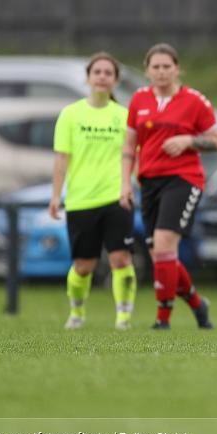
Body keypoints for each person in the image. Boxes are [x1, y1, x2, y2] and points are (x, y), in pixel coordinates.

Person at [121, 43, 217, 330]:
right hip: (149, 182)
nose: (162, 72)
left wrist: (189, 141)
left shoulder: (194, 101)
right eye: (156, 67)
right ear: (147, 70)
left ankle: (162, 320)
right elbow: (129, 145)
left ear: (177, 69)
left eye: (167, 66)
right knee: (159, 255)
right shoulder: (139, 100)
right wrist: (124, 183)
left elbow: (216, 141)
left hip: (183, 179)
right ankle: (197, 304)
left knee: (165, 244)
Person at [50, 53, 137, 330]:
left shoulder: (124, 116)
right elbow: (62, 159)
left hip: (116, 197)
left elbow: (135, 156)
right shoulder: (71, 114)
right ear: (88, 78)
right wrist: (55, 196)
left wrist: (129, 185)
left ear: (115, 80)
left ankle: (124, 316)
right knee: (83, 266)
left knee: (120, 258)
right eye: (97, 72)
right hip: (81, 200)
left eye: (108, 73)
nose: (102, 77)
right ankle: (77, 312)